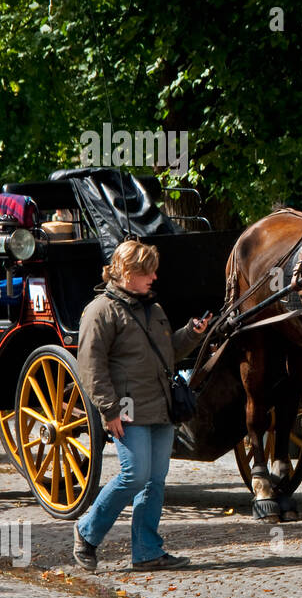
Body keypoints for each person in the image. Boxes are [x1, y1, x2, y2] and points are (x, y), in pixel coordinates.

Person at [72, 240, 210, 572]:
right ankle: (86, 532)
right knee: (134, 476)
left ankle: (147, 551)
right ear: (127, 272)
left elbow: (168, 352)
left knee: (155, 480)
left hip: (160, 408)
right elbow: (90, 365)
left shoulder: (155, 309)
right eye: (147, 271)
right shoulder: (100, 310)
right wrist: (109, 409)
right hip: (127, 409)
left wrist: (192, 333)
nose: (154, 277)